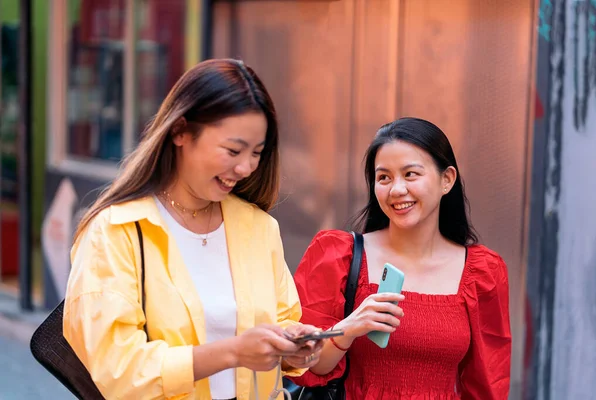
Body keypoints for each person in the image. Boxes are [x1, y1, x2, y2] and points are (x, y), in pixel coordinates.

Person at [63, 59, 323, 400]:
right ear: (180, 130)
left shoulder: (258, 227)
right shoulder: (115, 232)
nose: (245, 168)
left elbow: (283, 318)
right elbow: (118, 369)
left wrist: (292, 347)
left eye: (257, 153)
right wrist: (232, 352)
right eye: (233, 150)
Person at [291, 117, 511, 399]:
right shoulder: (337, 254)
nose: (396, 190)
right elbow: (307, 365)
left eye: (410, 174)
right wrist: (349, 327)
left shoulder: (484, 272)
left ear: (447, 180)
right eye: (384, 177)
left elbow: (488, 385)